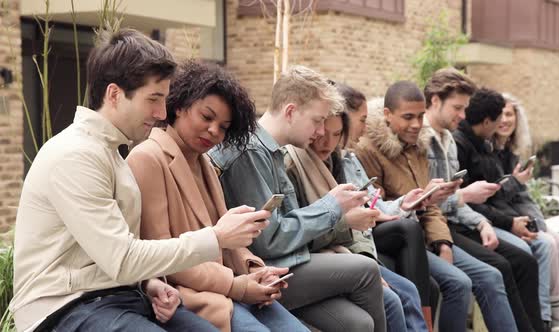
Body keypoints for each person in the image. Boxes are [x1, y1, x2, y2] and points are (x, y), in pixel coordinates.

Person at [9, 29, 270, 332]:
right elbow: (122, 258)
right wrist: (216, 238)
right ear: (115, 94)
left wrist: (150, 284)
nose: (162, 112)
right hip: (63, 307)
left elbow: (117, 255)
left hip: (117, 298)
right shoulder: (75, 156)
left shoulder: (110, 153)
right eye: (154, 99)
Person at [126, 60, 309, 332]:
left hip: (229, 289)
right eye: (206, 117)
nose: (214, 131)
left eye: (223, 126)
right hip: (187, 296)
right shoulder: (147, 158)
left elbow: (227, 239)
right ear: (178, 106)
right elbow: (162, 257)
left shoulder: (206, 165)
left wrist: (255, 271)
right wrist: (236, 285)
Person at [209, 65, 386, 332]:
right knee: (366, 270)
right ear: (290, 111)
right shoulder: (251, 151)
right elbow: (269, 242)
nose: (320, 132)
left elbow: (285, 228)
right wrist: (332, 207)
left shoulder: (271, 151)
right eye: (317, 121)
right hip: (264, 271)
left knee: (357, 323)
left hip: (288, 263)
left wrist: (336, 212)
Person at [355, 81, 513, 332]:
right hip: (396, 239)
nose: (417, 124)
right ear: (387, 115)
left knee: (491, 274)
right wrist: (440, 201)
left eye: (420, 116)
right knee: (458, 283)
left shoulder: (419, 145)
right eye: (408, 117)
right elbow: (379, 209)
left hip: (428, 236)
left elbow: (429, 206)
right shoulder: (367, 151)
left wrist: (443, 243)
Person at [285, 108, 428, 332]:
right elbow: (295, 232)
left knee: (409, 289)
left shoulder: (338, 160)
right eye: (322, 133)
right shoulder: (294, 163)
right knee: (391, 299)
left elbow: (368, 208)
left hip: (351, 249)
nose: (328, 142)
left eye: (336, 134)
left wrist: (403, 206)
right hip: (319, 256)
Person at [423, 68, 543, 332]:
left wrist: (481, 222)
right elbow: (425, 203)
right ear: (434, 101)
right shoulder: (430, 140)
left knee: (523, 259)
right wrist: (469, 201)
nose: (464, 116)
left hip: (455, 223)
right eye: (458, 107)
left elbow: (450, 201)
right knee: (496, 270)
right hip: (436, 231)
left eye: (465, 108)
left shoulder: (449, 141)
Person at [336, 82, 436, 330]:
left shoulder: (350, 158)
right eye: (362, 120)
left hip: (372, 234)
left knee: (428, 286)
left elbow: (377, 203)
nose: (365, 127)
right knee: (409, 236)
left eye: (420, 116)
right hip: (358, 242)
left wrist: (407, 203)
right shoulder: (353, 154)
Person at [453, 88, 553, 331]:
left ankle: (539, 324)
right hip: (464, 224)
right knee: (517, 258)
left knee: (531, 254)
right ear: (487, 121)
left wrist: (516, 220)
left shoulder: (483, 146)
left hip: (487, 220)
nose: (502, 125)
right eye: (499, 120)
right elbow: (471, 202)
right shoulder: (460, 145)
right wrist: (509, 223)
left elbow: (496, 196)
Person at [493, 93, 559, 330]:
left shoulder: (510, 154)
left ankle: (553, 308)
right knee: (546, 244)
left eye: (510, 114)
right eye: (501, 114)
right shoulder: (489, 151)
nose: (505, 120)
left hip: (517, 216)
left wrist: (537, 220)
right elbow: (494, 196)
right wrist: (516, 183)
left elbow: (521, 197)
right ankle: (548, 315)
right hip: (500, 219)